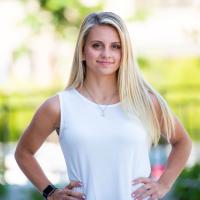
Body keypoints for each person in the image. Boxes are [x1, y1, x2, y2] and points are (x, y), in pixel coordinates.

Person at [15, 11, 192, 200]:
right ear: (82, 51)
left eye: (115, 46)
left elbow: (182, 142)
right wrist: (50, 192)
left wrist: (163, 184)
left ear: (124, 52)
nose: (106, 54)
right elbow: (23, 153)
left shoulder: (145, 102)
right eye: (97, 45)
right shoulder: (58, 106)